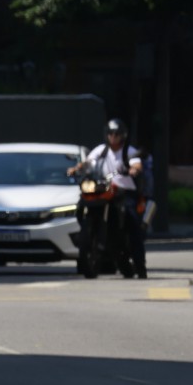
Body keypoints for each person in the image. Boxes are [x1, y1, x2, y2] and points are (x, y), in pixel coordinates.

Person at [68, 118, 147, 278]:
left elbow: (136, 163)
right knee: (83, 202)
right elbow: (88, 162)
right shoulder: (101, 150)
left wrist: (134, 169)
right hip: (103, 190)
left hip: (124, 192)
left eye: (116, 134)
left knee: (132, 223)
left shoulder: (128, 151)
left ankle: (140, 265)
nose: (113, 137)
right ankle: (91, 236)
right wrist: (77, 168)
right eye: (110, 133)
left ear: (123, 135)